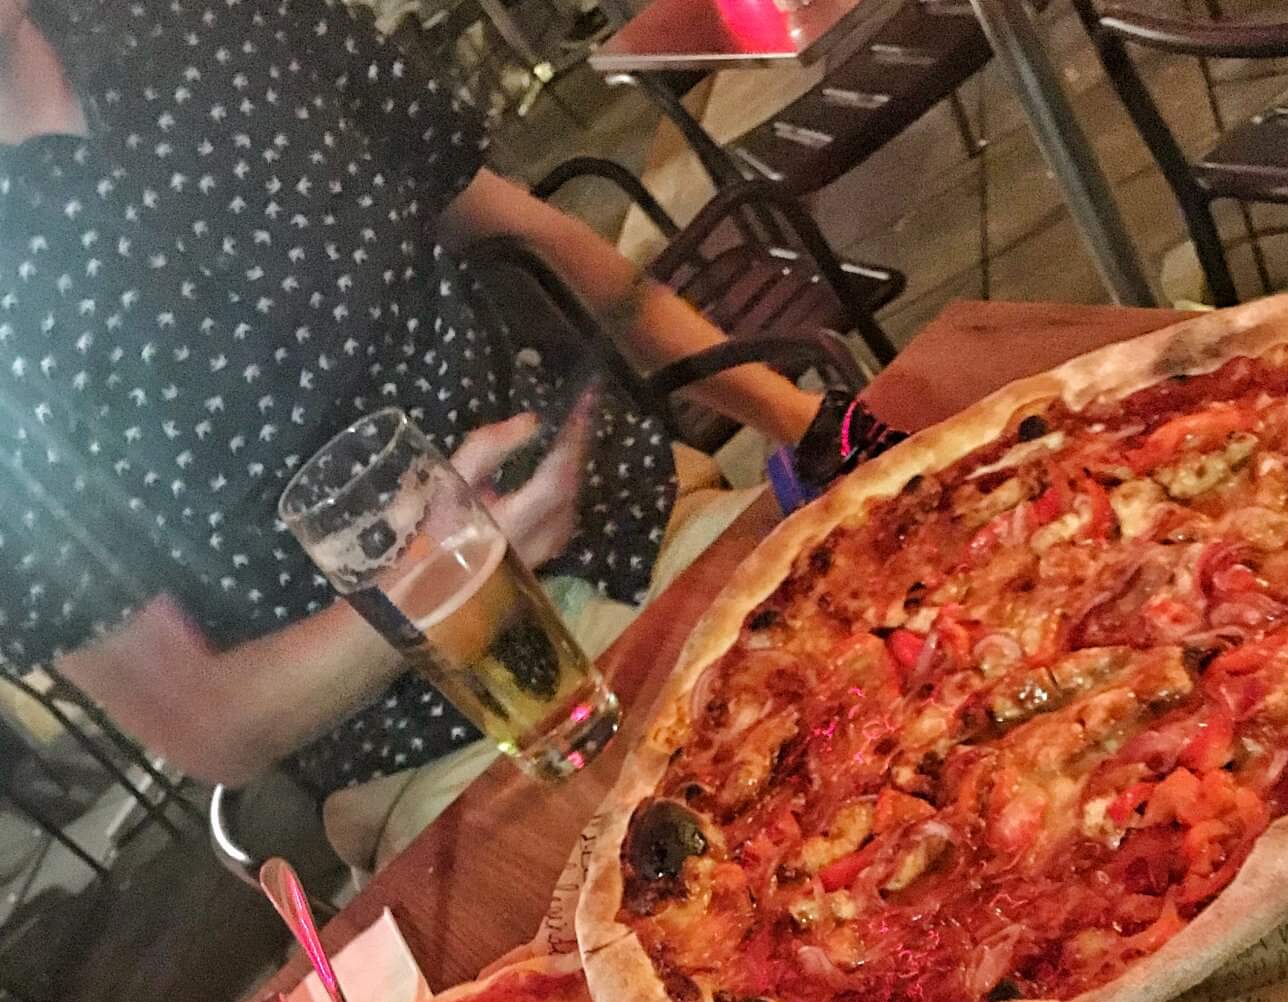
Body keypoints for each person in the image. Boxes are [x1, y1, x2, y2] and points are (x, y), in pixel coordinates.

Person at [0, 0, 817, 829]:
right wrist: (443, 582)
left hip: (645, 523)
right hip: (450, 758)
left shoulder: (212, 18)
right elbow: (208, 724)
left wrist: (797, 418)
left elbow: (526, 233)